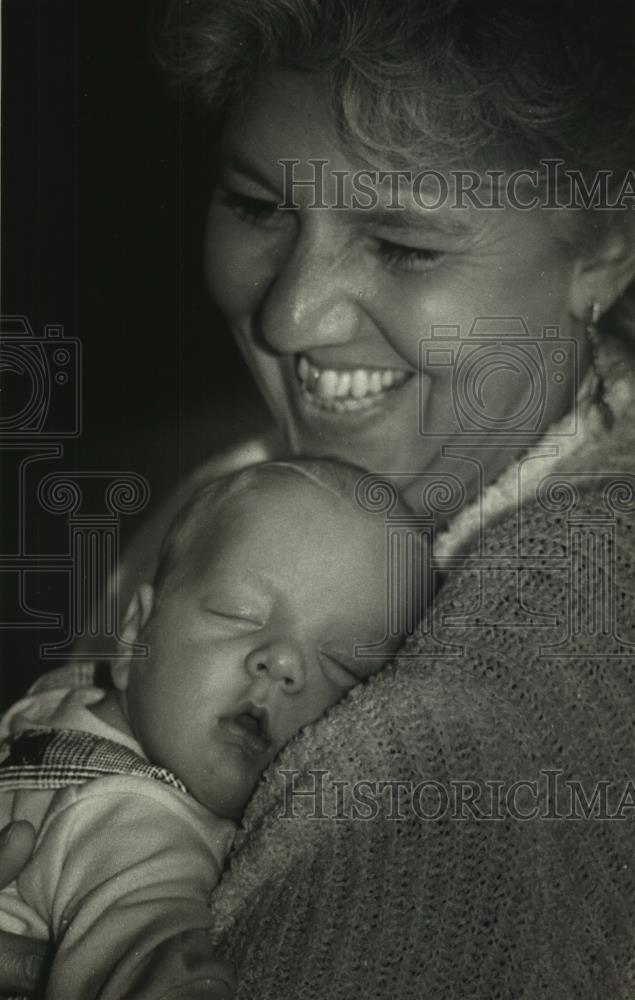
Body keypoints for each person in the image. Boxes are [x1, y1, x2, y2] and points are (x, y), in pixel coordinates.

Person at [2, 0, 635, 996]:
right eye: (257, 206)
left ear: (605, 246)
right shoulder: (229, 479)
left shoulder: (561, 625)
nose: (289, 316)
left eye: (402, 245)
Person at [0, 459, 404, 999]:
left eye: (342, 667)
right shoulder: (137, 824)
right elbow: (150, 969)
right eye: (240, 614)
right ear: (134, 635)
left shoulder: (56, 705)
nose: (283, 661)